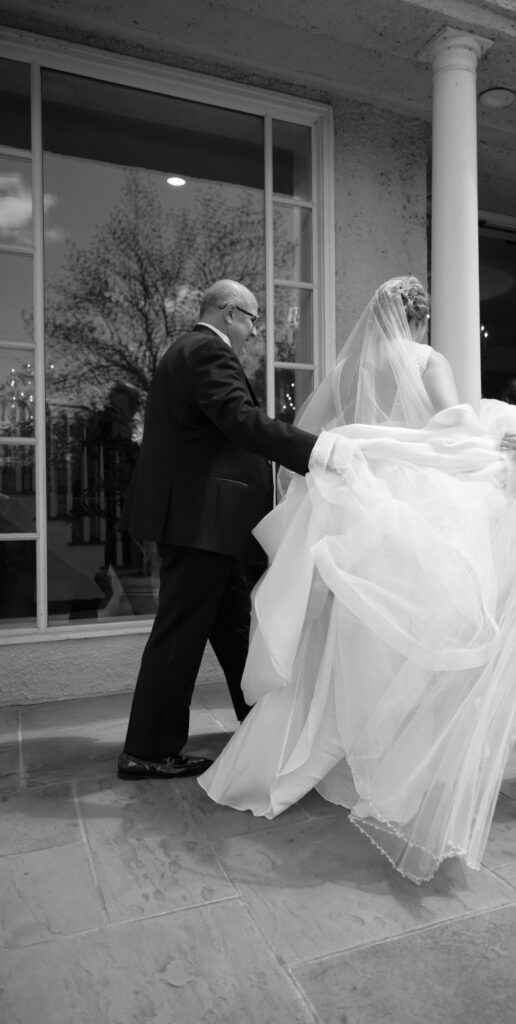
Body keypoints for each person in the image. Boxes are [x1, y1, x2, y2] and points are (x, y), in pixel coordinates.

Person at [197, 275, 516, 882]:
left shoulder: (346, 370)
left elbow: (313, 439)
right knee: (403, 643)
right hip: (415, 517)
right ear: (418, 321)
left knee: (344, 637)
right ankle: (381, 760)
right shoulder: (425, 359)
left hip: (359, 516)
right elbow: (455, 429)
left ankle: (315, 754)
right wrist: (510, 440)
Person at [116, 279, 317, 781]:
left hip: (209, 526)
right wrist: (316, 453)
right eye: (252, 320)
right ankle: (148, 750)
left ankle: (260, 726)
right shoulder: (207, 350)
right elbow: (239, 419)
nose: (254, 332)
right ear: (230, 313)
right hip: (199, 522)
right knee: (180, 635)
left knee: (233, 631)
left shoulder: (188, 352)